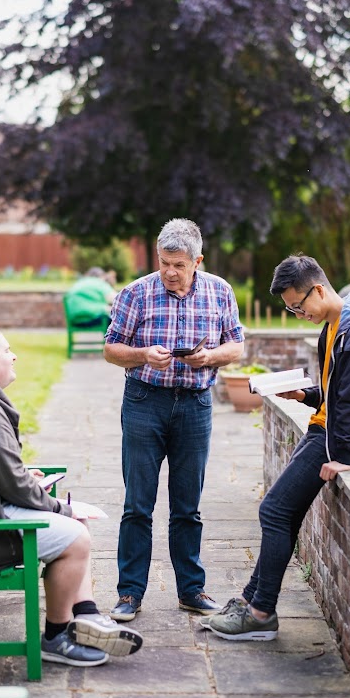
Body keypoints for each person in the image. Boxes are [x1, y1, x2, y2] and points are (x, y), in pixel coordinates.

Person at [0, 327, 143, 667]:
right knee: (76, 535)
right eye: (7, 350)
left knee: (74, 521)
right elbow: (15, 486)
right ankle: (56, 636)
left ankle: (87, 615)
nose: (14, 355)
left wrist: (25, 477)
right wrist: (59, 505)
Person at [206, 254, 350, 641]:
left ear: (318, 289)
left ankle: (260, 614)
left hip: (338, 440)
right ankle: (252, 600)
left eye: (297, 305)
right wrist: (305, 393)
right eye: (290, 308)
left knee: (273, 510)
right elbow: (337, 392)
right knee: (282, 513)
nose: (296, 314)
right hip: (327, 428)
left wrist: (344, 457)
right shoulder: (336, 324)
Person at [103, 218, 245, 621]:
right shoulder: (136, 293)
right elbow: (111, 349)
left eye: (179, 264)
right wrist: (144, 353)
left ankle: (191, 591)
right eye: (164, 262)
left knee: (188, 506)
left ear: (197, 261)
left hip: (196, 404)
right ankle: (129, 593)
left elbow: (235, 344)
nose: (169, 271)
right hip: (145, 401)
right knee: (137, 504)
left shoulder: (220, 291)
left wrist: (211, 357)